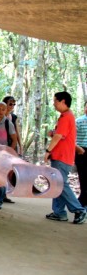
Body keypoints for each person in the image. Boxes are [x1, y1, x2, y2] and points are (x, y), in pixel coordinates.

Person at [44, 91, 86, 224]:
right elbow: (61, 135)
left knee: (60, 183)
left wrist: (48, 150)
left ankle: (78, 209)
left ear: (63, 102)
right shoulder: (66, 116)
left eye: (55, 101)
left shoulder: (66, 116)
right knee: (57, 183)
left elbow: (58, 137)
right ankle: (59, 212)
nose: (54, 104)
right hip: (61, 155)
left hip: (62, 156)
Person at [1, 95, 22, 203]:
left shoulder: (13, 117)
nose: (12, 106)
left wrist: (20, 146)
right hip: (2, 145)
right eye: (10, 103)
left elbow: (17, 133)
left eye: (14, 104)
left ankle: (5, 193)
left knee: (10, 170)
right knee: (1, 169)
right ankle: (0, 194)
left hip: (12, 145)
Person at [74, 101, 87, 207]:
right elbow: (72, 137)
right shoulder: (78, 121)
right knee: (82, 175)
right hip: (80, 150)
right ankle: (83, 198)